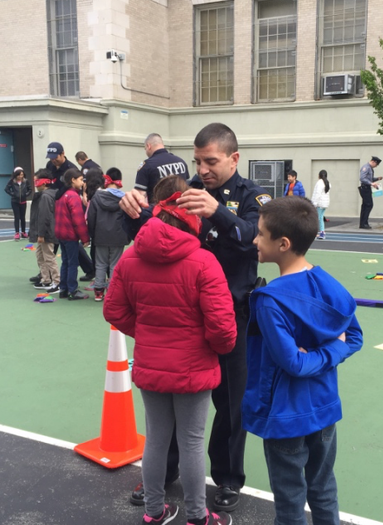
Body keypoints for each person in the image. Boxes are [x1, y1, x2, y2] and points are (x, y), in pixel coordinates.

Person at [120, 123, 272, 514]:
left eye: (211, 161)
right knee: (175, 407)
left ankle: (227, 479)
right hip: (185, 322)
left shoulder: (252, 195)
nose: (201, 169)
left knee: (231, 407)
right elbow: (151, 232)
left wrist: (218, 212)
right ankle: (163, 474)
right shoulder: (182, 191)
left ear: (234, 158)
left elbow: (255, 241)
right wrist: (131, 211)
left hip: (232, 318)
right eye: (197, 160)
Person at [105, 175, 237, 525]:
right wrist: (206, 345)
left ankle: (154, 511)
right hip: (195, 367)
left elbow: (113, 311)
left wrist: (147, 334)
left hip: (151, 364)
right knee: (192, 443)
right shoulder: (204, 261)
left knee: (156, 440)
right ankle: (197, 516)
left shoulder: (132, 257)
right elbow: (224, 329)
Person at [243, 196, 363, 525]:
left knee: (290, 499)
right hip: (324, 409)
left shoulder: (270, 301)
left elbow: (293, 364)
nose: (254, 240)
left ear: (283, 243)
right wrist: (331, 352)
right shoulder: (330, 285)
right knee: (323, 489)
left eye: (260, 234)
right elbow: (353, 337)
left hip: (286, 417)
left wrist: (313, 355)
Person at [87, 170, 128, 302]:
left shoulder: (96, 197)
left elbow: (91, 217)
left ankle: (98, 292)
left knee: (100, 263)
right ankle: (113, 291)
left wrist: (92, 234)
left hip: (100, 235)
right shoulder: (125, 198)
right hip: (118, 235)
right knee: (115, 264)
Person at [54, 168, 91, 300]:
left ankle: (63, 289)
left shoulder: (61, 195)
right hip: (70, 235)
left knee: (65, 262)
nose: (82, 183)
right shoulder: (73, 196)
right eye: (81, 180)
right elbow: (78, 219)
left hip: (61, 234)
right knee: (73, 263)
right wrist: (85, 237)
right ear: (73, 180)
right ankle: (72, 290)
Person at [28, 170, 60, 294]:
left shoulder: (46, 197)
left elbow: (44, 216)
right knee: (40, 256)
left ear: (45, 182)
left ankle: (56, 281)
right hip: (43, 231)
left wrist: (41, 234)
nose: (35, 184)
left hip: (46, 232)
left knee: (49, 257)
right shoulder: (45, 195)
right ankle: (45, 279)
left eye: (37, 181)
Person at [135, 133, 189, 202]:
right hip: (181, 209)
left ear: (148, 146)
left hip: (158, 210)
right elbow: (187, 186)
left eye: (145, 149)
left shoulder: (147, 165)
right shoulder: (181, 162)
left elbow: (140, 195)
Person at [4, 167, 30, 240]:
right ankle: (17, 232)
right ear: (16, 175)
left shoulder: (25, 181)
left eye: (22, 175)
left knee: (23, 217)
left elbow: (30, 189)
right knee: (17, 217)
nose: (20, 176)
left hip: (23, 201)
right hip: (15, 201)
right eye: (19, 175)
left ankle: (23, 232)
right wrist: (13, 194)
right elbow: (6, 189)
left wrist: (26, 194)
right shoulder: (12, 181)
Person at [358, 156, 383, 229]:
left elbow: (370, 178)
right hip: (365, 188)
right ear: (373, 162)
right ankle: (364, 223)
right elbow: (362, 178)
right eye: (376, 164)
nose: (376, 166)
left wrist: (377, 179)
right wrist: (371, 183)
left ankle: (363, 223)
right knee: (369, 205)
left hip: (367, 188)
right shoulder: (366, 167)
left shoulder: (370, 168)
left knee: (365, 205)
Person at [311, 169, 331, 240]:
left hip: (320, 203)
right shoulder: (327, 182)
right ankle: (321, 232)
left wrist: (314, 203)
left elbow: (317, 194)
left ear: (319, 175)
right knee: (320, 217)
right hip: (324, 203)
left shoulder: (320, 183)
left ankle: (321, 232)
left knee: (319, 218)